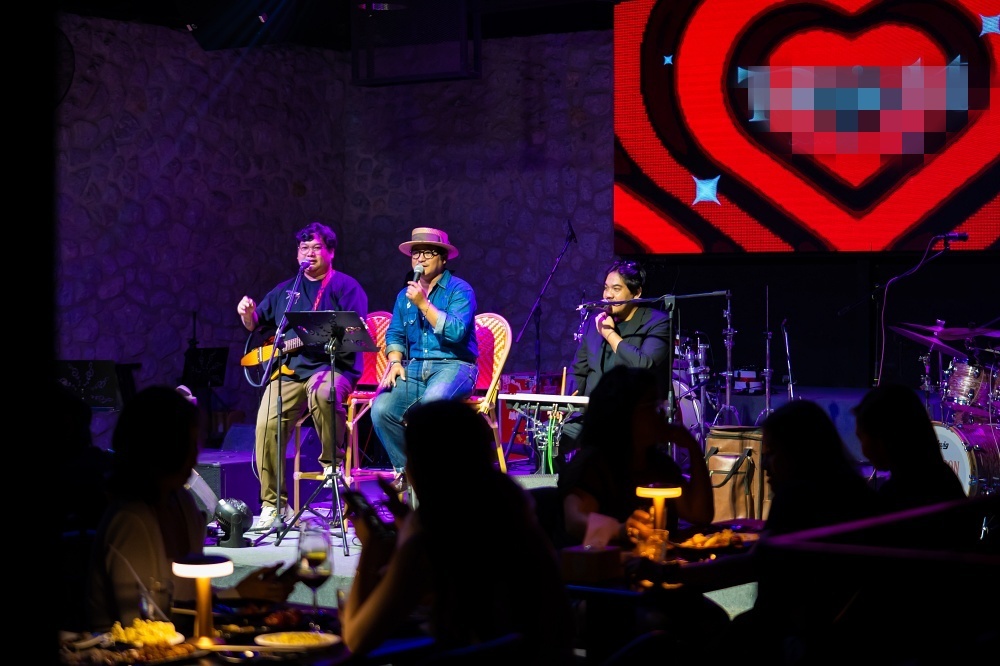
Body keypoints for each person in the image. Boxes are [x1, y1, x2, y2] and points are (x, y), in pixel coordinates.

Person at [340, 399, 576, 663]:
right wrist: (407, 527)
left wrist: (370, 548)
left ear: (422, 466)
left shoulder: (430, 542)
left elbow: (355, 639)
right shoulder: (512, 512)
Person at [86, 386, 296, 633]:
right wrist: (236, 598)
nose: (195, 458)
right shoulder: (131, 519)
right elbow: (146, 625)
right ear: (164, 448)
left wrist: (243, 594)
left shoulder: (182, 501)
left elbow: (187, 598)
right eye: (190, 446)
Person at [237, 222, 368, 531]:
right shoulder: (286, 289)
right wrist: (247, 314)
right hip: (291, 372)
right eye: (304, 248)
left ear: (331, 252)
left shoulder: (346, 287)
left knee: (325, 392)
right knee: (266, 423)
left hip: (333, 367)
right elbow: (256, 322)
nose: (309, 253)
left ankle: (332, 470)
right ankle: (273, 505)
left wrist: (312, 335)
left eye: (316, 248)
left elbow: (354, 332)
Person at [557, 365, 714, 548]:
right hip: (605, 565)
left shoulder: (660, 465)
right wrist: (620, 530)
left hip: (657, 563)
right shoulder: (593, 465)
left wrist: (693, 447)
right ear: (625, 412)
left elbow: (700, 514)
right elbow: (574, 521)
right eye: (653, 406)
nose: (662, 415)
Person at [370, 227, 478, 492]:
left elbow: (456, 331)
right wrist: (395, 361)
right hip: (415, 367)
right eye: (415, 253)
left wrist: (423, 304)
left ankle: (433, 476)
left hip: (454, 365)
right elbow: (395, 334)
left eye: (428, 252)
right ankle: (408, 472)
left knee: (430, 409)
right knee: (381, 410)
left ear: (443, 258)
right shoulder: (404, 296)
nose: (420, 258)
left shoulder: (459, 290)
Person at [559, 259, 673, 463]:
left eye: (616, 289)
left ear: (636, 293)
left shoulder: (657, 322)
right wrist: (566, 403)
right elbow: (579, 370)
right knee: (546, 439)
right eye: (606, 288)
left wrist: (610, 334)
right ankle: (565, 483)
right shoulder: (594, 323)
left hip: (632, 418)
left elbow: (643, 365)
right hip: (592, 416)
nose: (607, 295)